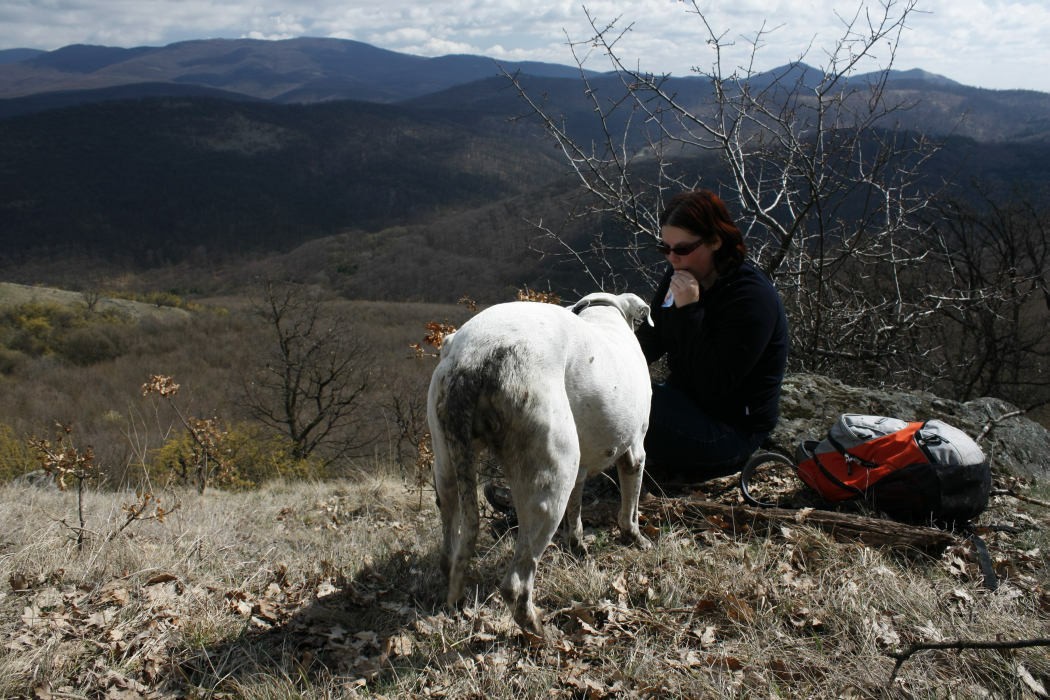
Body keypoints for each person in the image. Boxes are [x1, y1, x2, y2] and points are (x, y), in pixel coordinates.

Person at [636, 189, 789, 484]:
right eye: (664, 248)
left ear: (715, 241)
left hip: (731, 431)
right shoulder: (681, 273)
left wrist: (689, 310)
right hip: (684, 402)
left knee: (619, 408)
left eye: (682, 249)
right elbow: (652, 337)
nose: (672, 258)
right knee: (606, 393)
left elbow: (714, 383)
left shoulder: (752, 298)